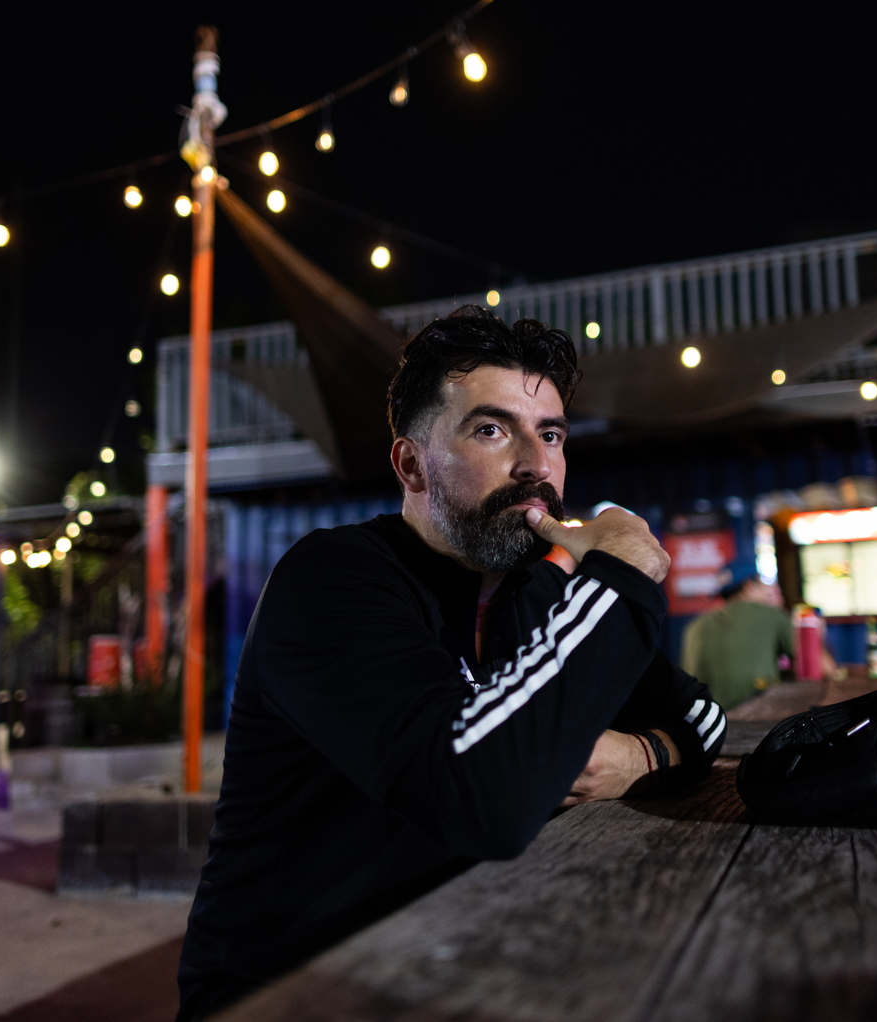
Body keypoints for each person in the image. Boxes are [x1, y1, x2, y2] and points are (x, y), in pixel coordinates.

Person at [177, 307, 724, 1019]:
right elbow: (483, 795)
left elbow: (701, 718)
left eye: (550, 434)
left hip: (454, 959)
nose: (535, 465)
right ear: (410, 464)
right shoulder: (333, 582)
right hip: (293, 989)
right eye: (492, 430)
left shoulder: (543, 591)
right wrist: (619, 578)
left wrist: (640, 755)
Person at [682, 563, 820, 710]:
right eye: (764, 584)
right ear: (750, 586)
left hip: (704, 720)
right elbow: (820, 666)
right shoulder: (770, 613)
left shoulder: (694, 626)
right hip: (758, 717)